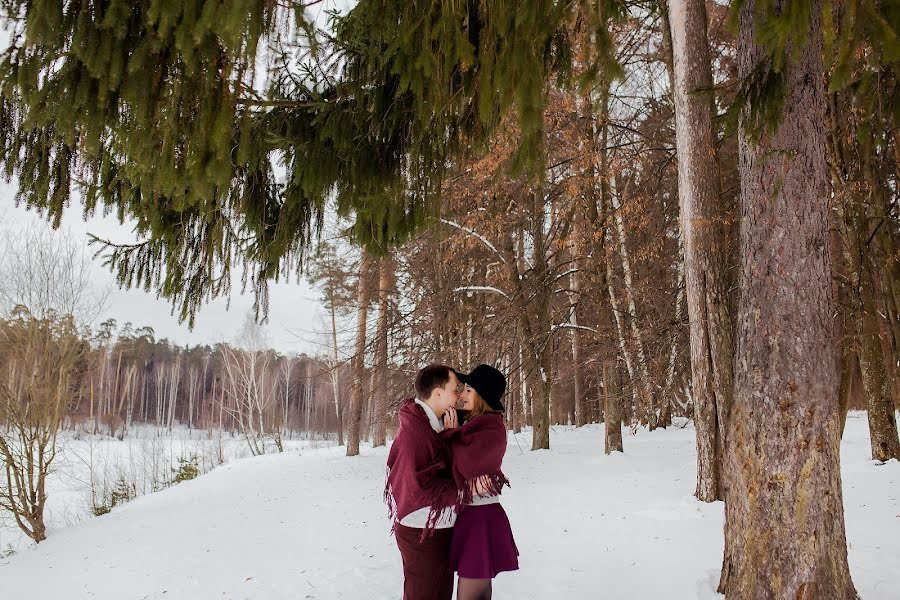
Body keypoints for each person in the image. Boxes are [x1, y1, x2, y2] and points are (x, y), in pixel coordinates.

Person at [385, 364, 463, 600]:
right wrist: (465, 490)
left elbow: (440, 463)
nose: (458, 395)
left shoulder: (430, 424)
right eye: (454, 389)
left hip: (435, 526)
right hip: (422, 530)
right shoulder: (416, 431)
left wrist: (449, 437)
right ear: (438, 393)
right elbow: (423, 485)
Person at [442, 364, 519, 600]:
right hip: (473, 516)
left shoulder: (491, 427)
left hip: (481, 519)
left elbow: (465, 465)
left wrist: (450, 434)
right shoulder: (474, 425)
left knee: (470, 595)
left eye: (468, 391)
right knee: (478, 594)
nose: (462, 395)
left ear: (481, 397)